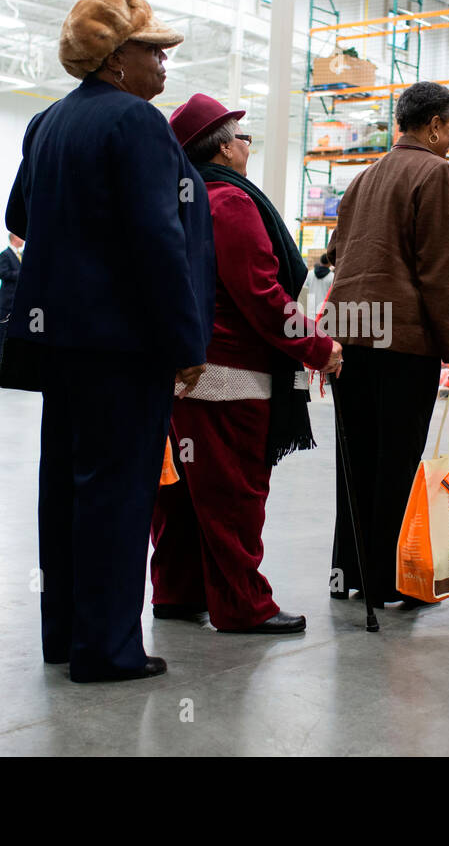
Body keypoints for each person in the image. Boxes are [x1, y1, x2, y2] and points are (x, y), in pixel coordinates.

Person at [5, 0, 214, 682]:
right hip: (124, 346)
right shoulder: (137, 123)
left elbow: (20, 213)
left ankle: (66, 635)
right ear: (116, 58)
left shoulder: (47, 122)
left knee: (64, 489)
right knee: (118, 497)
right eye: (154, 50)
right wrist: (186, 342)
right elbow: (159, 241)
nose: (164, 63)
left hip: (60, 338)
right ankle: (108, 649)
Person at [150, 94, 341, 633]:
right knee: (235, 495)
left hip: (189, 374)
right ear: (225, 146)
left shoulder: (184, 200)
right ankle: (242, 606)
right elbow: (262, 295)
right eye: (244, 135)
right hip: (230, 378)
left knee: (184, 494)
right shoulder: (229, 203)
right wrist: (319, 349)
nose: (248, 144)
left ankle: (176, 592)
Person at [326, 80, 449, 608]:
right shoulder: (435, 174)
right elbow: (440, 272)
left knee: (356, 457)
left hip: (352, 333)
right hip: (404, 342)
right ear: (433, 125)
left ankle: (349, 571)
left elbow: (338, 253)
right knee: (397, 460)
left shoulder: (363, 178)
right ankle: (389, 579)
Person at [0, 233, 22, 369]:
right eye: (20, 236)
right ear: (14, 238)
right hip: (7, 301)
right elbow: (2, 273)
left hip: (17, 301)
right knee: (2, 332)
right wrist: (21, 273)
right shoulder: (5, 254)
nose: (23, 239)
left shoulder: (21, 256)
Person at [299, 252, 334, 321]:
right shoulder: (332, 277)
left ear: (320, 261)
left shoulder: (310, 274)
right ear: (329, 263)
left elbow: (304, 289)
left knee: (310, 330)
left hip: (310, 308)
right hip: (323, 309)